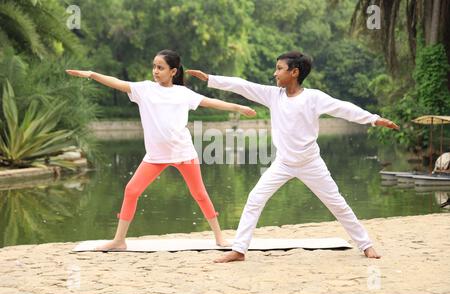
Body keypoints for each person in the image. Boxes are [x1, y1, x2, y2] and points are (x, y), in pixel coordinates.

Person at [186, 51, 400, 262]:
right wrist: (210, 79)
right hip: (283, 163)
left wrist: (374, 119)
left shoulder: (313, 98)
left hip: (311, 163)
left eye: (279, 69)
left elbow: (343, 108)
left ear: (295, 72)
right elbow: (243, 85)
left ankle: (366, 245)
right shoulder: (273, 95)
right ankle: (239, 250)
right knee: (254, 199)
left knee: (337, 204)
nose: (275, 73)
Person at [66, 49, 256, 251]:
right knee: (131, 190)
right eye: (154, 66)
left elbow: (212, 103)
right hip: (156, 156)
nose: (155, 71)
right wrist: (92, 75)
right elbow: (117, 83)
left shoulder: (183, 93)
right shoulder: (144, 89)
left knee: (199, 193)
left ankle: (219, 237)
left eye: (160, 67)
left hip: (183, 153)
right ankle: (119, 240)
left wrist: (238, 108)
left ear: (173, 71)